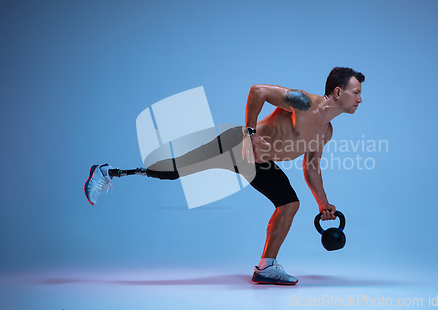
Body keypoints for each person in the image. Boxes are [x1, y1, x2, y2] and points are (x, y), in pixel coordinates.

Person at [84, 66, 365, 285]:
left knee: (290, 204)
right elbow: (259, 91)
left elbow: (311, 168)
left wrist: (323, 203)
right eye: (356, 93)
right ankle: (108, 172)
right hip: (237, 145)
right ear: (338, 93)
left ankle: (267, 267)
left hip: (260, 164)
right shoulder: (304, 102)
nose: (360, 99)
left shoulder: (326, 133)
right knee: (176, 170)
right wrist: (250, 134)